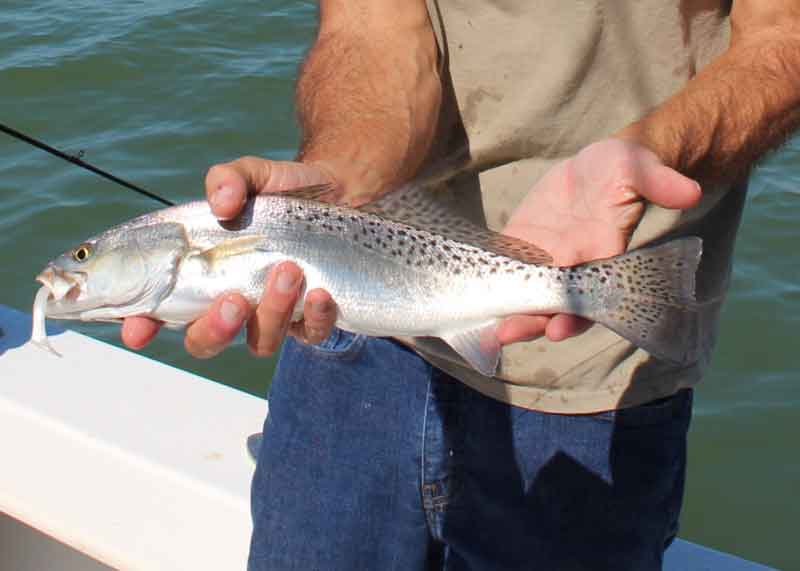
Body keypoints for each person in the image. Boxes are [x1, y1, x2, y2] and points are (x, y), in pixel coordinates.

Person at [123, 1, 800, 569]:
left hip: (597, 376)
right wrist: (337, 185)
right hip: (350, 342)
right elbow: (374, 29)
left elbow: (785, 34)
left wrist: (655, 149)